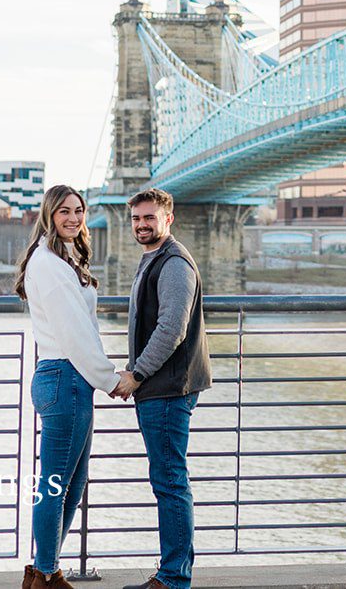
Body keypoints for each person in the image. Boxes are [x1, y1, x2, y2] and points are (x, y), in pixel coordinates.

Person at [17, 184, 138, 589]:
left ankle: (41, 568)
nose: (73, 217)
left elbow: (80, 329)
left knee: (70, 484)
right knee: (55, 484)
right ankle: (47, 574)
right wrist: (110, 379)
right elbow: (74, 334)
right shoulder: (49, 263)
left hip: (69, 380)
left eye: (79, 210)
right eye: (64, 211)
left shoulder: (62, 257)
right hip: (65, 377)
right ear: (49, 215)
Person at [114, 188, 211, 589]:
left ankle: (173, 578)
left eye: (149, 218)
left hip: (168, 388)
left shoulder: (173, 264)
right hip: (160, 386)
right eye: (136, 218)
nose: (141, 225)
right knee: (168, 479)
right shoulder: (153, 258)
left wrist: (136, 374)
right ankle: (174, 573)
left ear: (168, 219)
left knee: (170, 481)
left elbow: (172, 328)